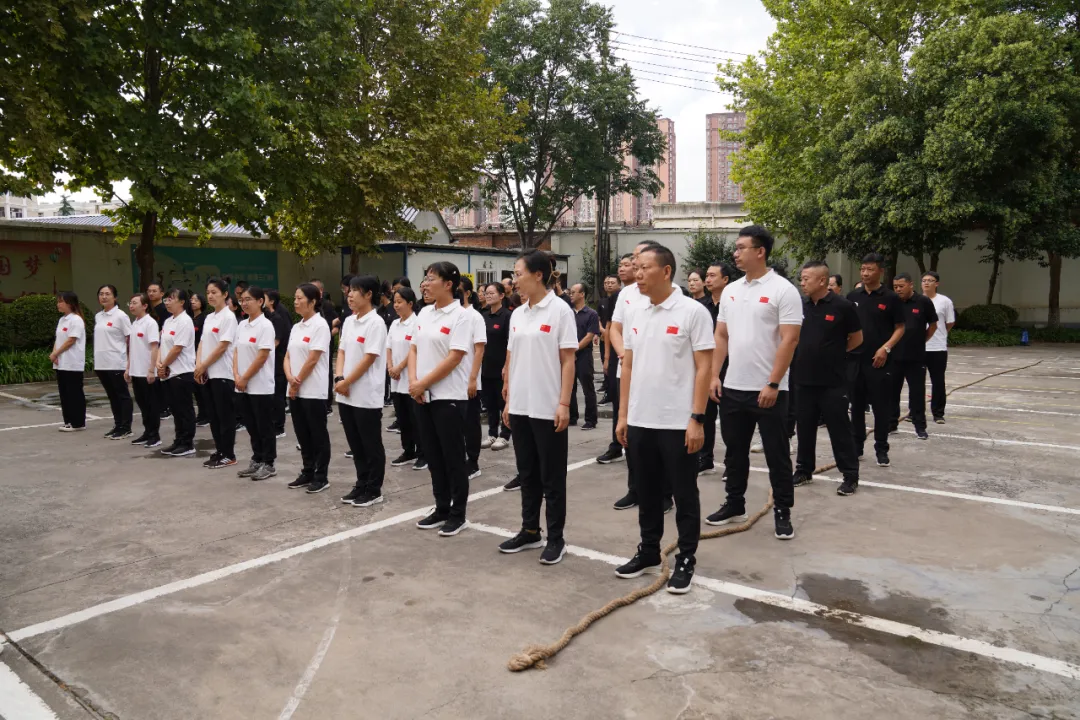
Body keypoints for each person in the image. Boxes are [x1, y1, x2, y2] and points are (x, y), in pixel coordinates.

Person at [614, 245, 714, 593]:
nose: (637, 274)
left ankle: (686, 557)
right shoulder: (636, 311)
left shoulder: (692, 312)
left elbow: (704, 367)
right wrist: (623, 415)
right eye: (635, 268)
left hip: (677, 422)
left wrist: (697, 418)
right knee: (647, 491)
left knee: (684, 493)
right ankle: (649, 551)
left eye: (644, 268)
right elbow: (628, 365)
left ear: (667, 271)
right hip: (641, 419)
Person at [706, 225, 802, 540]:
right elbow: (721, 335)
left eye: (741, 247)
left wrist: (773, 383)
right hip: (733, 387)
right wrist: (714, 375)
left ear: (760, 251)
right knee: (735, 452)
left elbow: (789, 340)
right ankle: (735, 504)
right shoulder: (731, 290)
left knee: (777, 454)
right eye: (736, 248)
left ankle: (783, 511)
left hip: (769, 390)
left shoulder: (783, 290)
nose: (735, 253)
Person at [497, 250, 577, 564]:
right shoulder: (518, 314)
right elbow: (511, 358)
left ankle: (556, 538)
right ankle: (530, 530)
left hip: (547, 406)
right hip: (520, 406)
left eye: (518, 274)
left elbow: (568, 360)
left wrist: (564, 403)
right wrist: (508, 400)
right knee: (527, 473)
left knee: (552, 477)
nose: (514, 280)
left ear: (538, 275)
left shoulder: (560, 311)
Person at [603, 242, 676, 515]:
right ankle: (635, 489)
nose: (634, 262)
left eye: (640, 258)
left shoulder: (671, 294)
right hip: (628, 371)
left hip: (657, 375)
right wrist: (624, 354)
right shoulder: (626, 294)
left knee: (660, 437)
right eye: (633, 257)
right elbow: (615, 329)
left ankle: (665, 493)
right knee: (630, 435)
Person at [408, 262, 474, 537]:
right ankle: (441, 507)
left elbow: (455, 357)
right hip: (423, 396)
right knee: (433, 456)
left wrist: (422, 383)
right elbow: (413, 349)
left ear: (448, 284)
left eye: (431, 278)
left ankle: (458, 514)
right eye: (425, 278)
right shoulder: (424, 313)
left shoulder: (462, 316)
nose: (425, 284)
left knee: (453, 458)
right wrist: (414, 383)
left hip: (449, 397)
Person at [792, 262, 863, 495]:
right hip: (803, 379)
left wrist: (834, 355)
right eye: (801, 279)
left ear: (822, 280)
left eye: (806, 279)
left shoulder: (843, 306)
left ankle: (850, 475)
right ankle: (804, 469)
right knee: (805, 427)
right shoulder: (800, 306)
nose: (802, 283)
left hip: (833, 381)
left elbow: (857, 338)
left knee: (839, 429)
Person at [847, 253, 905, 467]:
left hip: (879, 362)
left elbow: (900, 328)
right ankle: (856, 447)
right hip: (856, 361)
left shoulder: (890, 298)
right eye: (863, 269)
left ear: (881, 271)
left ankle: (881, 448)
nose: (865, 273)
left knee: (881, 408)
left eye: (870, 269)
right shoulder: (853, 296)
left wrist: (886, 348)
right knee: (857, 406)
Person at [335, 275, 389, 507]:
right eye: (349, 291)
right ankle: (361, 483)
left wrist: (347, 382)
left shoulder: (375, 323)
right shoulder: (349, 321)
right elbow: (342, 351)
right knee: (355, 444)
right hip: (346, 393)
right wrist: (339, 378)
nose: (350, 295)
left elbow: (369, 358)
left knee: (370, 444)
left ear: (368, 295)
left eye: (355, 291)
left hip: (366, 394)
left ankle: (374, 489)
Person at [285, 283, 333, 493]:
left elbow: (313, 358)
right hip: (295, 389)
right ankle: (307, 471)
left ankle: (321, 476)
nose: (295, 302)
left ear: (312, 302)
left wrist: (296, 381)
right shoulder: (297, 327)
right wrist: (290, 378)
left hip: (313, 389)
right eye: (295, 298)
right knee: (302, 433)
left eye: (300, 298)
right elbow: (287, 356)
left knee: (317, 434)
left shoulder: (320, 325)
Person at [234, 286, 278, 481]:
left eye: (248, 299)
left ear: (260, 302)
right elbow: (235, 351)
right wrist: (237, 375)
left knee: (264, 426)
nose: (244, 303)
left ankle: (268, 463)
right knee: (251, 425)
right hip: (242, 385)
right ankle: (257, 458)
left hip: (260, 385)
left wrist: (244, 378)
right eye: (242, 300)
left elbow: (262, 356)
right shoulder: (242, 325)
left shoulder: (265, 326)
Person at [195, 278, 239, 470]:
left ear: (225, 294)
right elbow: (202, 343)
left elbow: (222, 346)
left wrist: (203, 365)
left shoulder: (228, 317)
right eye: (208, 292)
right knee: (213, 416)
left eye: (214, 292)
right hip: (208, 373)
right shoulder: (209, 318)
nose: (210, 296)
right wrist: (199, 365)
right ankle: (220, 450)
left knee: (225, 416)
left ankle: (229, 454)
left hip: (223, 374)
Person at [891, 273, 938, 439]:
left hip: (916, 356)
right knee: (891, 392)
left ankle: (920, 426)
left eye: (901, 286)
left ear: (911, 285)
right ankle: (891, 424)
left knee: (917, 393)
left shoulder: (923, 302)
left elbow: (933, 325)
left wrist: (921, 340)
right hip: (894, 355)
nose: (898, 289)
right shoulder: (892, 302)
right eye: (895, 287)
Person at [697, 262, 733, 475]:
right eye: (707, 276)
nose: (707, 279)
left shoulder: (733, 305)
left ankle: (732, 463)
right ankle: (705, 458)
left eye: (712, 276)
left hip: (730, 367)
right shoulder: (702, 306)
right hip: (706, 366)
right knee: (705, 415)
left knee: (729, 419)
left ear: (725, 279)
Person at [387, 286, 425, 470]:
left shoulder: (417, 323)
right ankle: (408, 450)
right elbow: (388, 347)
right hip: (395, 380)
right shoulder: (395, 324)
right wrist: (390, 367)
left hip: (410, 378)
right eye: (394, 302)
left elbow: (413, 350)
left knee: (416, 419)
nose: (396, 305)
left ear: (410, 303)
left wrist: (400, 367)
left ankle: (423, 453)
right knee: (403, 418)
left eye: (399, 302)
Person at [157, 288, 198, 457]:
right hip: (169, 372)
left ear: (182, 302)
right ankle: (179, 440)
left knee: (184, 409)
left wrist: (163, 365)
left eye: (171, 299)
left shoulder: (185, 321)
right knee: (175, 409)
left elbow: (177, 348)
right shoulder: (168, 321)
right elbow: (162, 345)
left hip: (182, 371)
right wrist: (159, 363)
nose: (167, 302)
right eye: (166, 299)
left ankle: (187, 443)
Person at [93, 284, 134, 439]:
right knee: (112, 396)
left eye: (107, 294)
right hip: (101, 363)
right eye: (101, 294)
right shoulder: (98, 316)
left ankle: (126, 427)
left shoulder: (121, 316)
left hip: (116, 362)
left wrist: (129, 363)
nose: (104, 297)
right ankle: (117, 425)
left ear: (114, 297)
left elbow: (130, 339)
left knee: (122, 395)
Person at [480, 282, 513, 452]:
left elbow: (510, 344)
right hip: (486, 367)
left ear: (501, 295)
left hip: (501, 367)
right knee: (490, 403)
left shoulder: (507, 316)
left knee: (502, 401)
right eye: (486, 293)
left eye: (492, 293)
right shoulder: (483, 316)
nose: (488, 295)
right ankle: (492, 433)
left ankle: (505, 434)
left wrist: (507, 366)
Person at [459, 282, 487, 481]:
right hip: (450, 382)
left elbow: (479, 350)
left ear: (468, 293)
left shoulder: (474, 317)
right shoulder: (451, 315)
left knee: (471, 423)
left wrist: (473, 379)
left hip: (469, 380)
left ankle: (473, 462)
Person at [126, 293, 161, 447]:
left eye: (135, 303)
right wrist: (128, 368)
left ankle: (155, 435)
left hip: (147, 371)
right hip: (136, 371)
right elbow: (131, 348)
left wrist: (152, 370)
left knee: (152, 404)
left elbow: (154, 347)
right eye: (130, 303)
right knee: (142, 405)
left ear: (145, 306)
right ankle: (147, 432)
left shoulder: (150, 323)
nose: (131, 306)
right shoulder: (134, 323)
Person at [921, 271, 955, 424]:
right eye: (924, 280)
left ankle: (938, 413)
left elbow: (950, 322)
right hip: (918, 347)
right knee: (917, 382)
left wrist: (940, 334)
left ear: (937, 283)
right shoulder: (916, 300)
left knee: (938, 381)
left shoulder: (944, 301)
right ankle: (915, 412)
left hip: (937, 347)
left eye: (930, 280)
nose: (926, 283)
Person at [52, 291, 87, 432]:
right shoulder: (62, 320)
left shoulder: (76, 320)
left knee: (74, 393)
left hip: (72, 363)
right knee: (65, 393)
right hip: (61, 363)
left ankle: (78, 423)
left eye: (61, 301)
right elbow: (58, 339)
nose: (58, 304)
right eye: (58, 301)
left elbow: (71, 340)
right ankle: (68, 421)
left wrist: (56, 353)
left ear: (70, 304)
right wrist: (54, 354)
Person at [568, 282, 600, 430]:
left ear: (582, 294)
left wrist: (574, 350)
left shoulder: (591, 314)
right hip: (569, 355)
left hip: (584, 355)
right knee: (570, 387)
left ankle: (591, 420)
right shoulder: (567, 313)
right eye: (570, 292)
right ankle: (572, 417)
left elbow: (589, 336)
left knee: (588, 388)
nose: (571, 295)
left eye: (573, 292)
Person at [265, 289, 291, 438]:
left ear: (271, 301)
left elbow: (276, 341)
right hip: (269, 363)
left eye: (264, 298)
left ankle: (279, 427)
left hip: (278, 362)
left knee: (278, 396)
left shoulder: (277, 318)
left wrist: (261, 353)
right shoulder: (267, 317)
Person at [147, 281, 171, 419]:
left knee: (162, 376)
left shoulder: (164, 310)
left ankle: (165, 407)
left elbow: (165, 330)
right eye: (149, 291)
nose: (151, 293)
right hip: (152, 346)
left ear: (162, 294)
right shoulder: (149, 309)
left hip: (162, 346)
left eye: (154, 291)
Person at [597, 274, 621, 401]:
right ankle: (607, 388)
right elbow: (601, 319)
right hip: (605, 337)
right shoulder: (603, 301)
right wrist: (602, 330)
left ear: (619, 285)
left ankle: (611, 391)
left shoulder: (620, 298)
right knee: (606, 364)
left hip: (617, 340)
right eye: (607, 283)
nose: (609, 285)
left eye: (612, 283)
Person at [189, 293, 210, 427]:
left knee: (202, 387)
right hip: (191, 355)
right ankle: (201, 414)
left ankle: (206, 414)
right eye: (191, 299)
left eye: (196, 300)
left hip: (201, 354)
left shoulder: (205, 318)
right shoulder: (189, 319)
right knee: (196, 387)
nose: (193, 302)